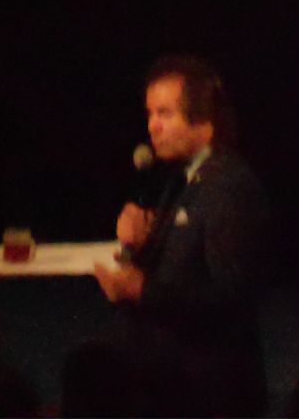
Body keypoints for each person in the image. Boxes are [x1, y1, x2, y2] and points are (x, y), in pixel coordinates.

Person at [93, 55, 270, 417]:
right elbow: (178, 269)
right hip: (173, 388)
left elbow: (230, 299)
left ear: (203, 118)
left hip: (207, 397)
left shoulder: (227, 186)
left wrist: (141, 290)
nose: (152, 126)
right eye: (149, 114)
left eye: (165, 113)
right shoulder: (183, 180)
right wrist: (140, 245)